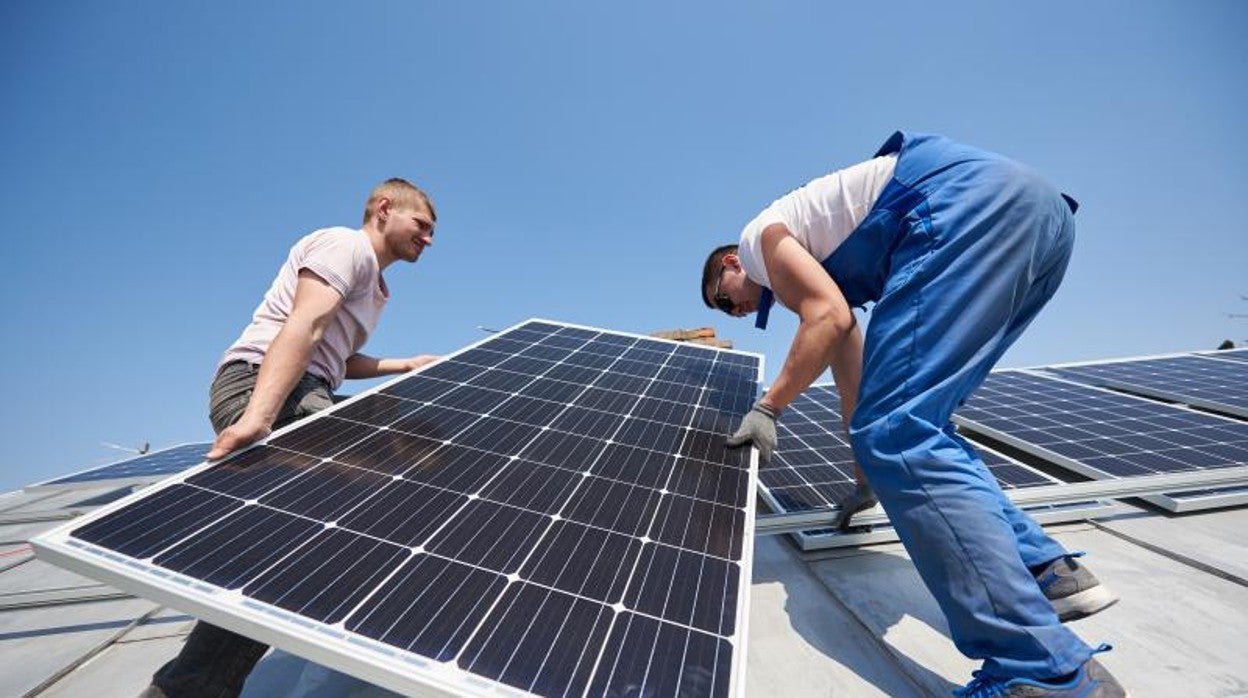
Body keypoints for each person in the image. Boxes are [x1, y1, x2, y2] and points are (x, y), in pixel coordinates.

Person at [702, 132, 1125, 697]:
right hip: (1037, 217)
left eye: (724, 299)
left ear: (732, 262)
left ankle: (1045, 672)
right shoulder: (815, 259)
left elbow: (825, 319)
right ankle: (1047, 570)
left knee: (902, 433)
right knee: (914, 426)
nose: (734, 312)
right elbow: (853, 368)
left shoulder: (760, 240)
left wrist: (767, 407)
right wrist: (865, 474)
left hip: (960, 210)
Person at [141, 178, 440, 698]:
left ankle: (191, 684)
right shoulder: (344, 246)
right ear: (385, 209)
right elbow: (304, 325)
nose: (429, 239)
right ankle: (190, 687)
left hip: (307, 384)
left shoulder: (373, 286)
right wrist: (260, 414)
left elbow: (338, 360)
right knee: (321, 536)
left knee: (298, 547)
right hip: (269, 383)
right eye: (423, 226)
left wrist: (403, 364)